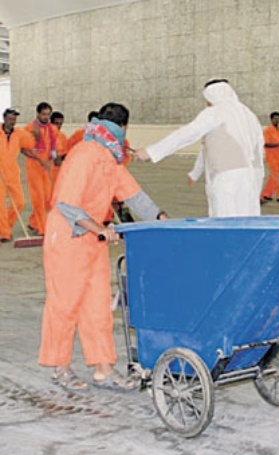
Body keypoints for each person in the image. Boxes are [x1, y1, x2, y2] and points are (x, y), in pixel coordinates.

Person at [39, 102, 169, 391]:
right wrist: (99, 228)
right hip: (68, 235)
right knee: (65, 303)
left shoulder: (110, 160)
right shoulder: (84, 155)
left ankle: (103, 369)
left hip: (93, 239)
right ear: (123, 128)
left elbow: (134, 196)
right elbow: (67, 204)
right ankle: (60, 367)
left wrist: (162, 219)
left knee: (97, 305)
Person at [134, 79, 264, 217]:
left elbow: (186, 134)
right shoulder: (249, 114)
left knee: (225, 223)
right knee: (248, 222)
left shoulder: (214, 112)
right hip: (252, 178)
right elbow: (257, 147)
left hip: (227, 179)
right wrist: (195, 173)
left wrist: (150, 152)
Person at [0, 108, 36, 243]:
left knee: (20, 202)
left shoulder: (19, 134)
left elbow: (29, 145)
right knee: (0, 206)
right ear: (4, 118)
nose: (12, 122)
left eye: (14, 119)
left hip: (13, 173)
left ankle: (5, 227)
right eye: (10, 119)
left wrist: (35, 137)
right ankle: (4, 234)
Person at [24, 102, 58, 236]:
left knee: (48, 198)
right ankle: (42, 228)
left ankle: (33, 222)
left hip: (47, 167)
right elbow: (24, 149)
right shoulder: (29, 129)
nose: (46, 117)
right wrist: (39, 160)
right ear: (37, 114)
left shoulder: (52, 129)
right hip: (34, 167)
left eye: (48, 114)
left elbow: (53, 148)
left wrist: (53, 159)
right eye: (43, 114)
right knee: (38, 198)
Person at [260, 111, 279, 203]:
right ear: (271, 120)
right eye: (275, 119)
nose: (277, 121)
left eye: (278, 119)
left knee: (274, 176)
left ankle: (266, 194)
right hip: (271, 156)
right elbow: (266, 144)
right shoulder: (267, 131)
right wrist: (277, 144)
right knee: (275, 175)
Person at [49, 111, 69, 182]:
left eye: (60, 124)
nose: (59, 126)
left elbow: (66, 153)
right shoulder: (44, 136)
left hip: (59, 172)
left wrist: (61, 158)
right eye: (56, 123)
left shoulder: (62, 136)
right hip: (46, 171)